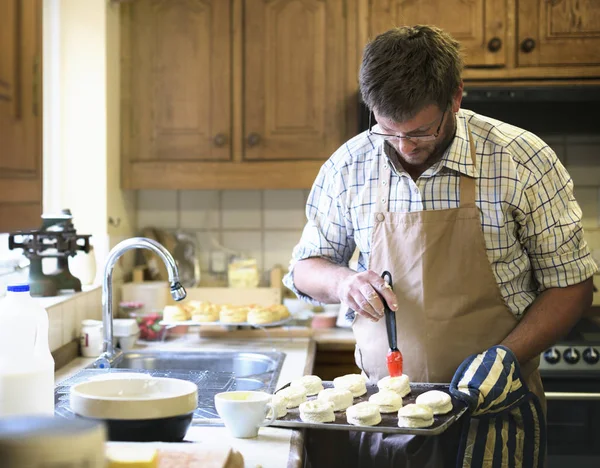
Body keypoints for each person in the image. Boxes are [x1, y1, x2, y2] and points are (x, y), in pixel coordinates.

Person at [283, 25, 597, 467]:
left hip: (495, 415)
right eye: (388, 132)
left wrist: (507, 356)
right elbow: (304, 267)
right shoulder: (348, 166)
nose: (405, 146)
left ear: (456, 98)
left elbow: (573, 286)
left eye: (421, 132)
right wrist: (344, 282)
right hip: (385, 418)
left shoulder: (521, 161)